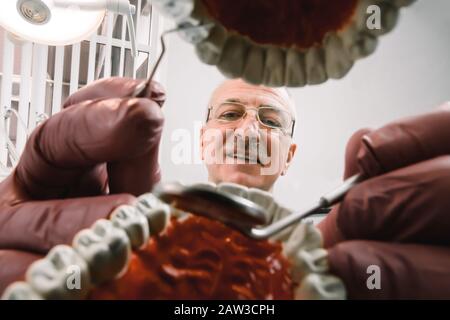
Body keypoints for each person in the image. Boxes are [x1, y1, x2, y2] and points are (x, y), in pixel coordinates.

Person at [0, 77, 449, 299]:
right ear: (202, 140)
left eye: (270, 121)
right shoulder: (126, 227)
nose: (250, 129)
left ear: (288, 155)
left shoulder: (342, 245)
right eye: (230, 114)